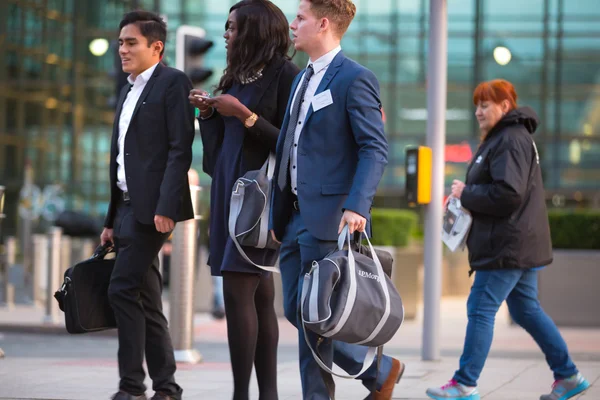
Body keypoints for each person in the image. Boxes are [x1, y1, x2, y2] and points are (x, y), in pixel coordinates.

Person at [269, 1, 404, 399]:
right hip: (292, 216)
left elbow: (374, 148)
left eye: (300, 18)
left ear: (323, 23)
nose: (293, 25)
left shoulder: (354, 78)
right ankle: (377, 371)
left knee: (313, 315)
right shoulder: (302, 79)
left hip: (329, 217)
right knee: (301, 310)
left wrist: (357, 205)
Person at [426, 79, 590, 400]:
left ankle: (464, 382)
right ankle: (568, 375)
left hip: (507, 244)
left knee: (480, 306)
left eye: (485, 105)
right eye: (476, 105)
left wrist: (467, 193)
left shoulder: (511, 140)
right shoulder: (504, 138)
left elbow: (508, 194)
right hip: (515, 242)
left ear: (504, 106)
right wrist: (468, 194)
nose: (478, 112)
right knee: (526, 309)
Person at [188, 1, 300, 399]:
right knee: (260, 294)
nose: (226, 34)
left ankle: (242, 394)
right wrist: (210, 114)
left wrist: (245, 116)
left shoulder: (286, 75)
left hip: (259, 200)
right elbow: (218, 158)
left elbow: (293, 143)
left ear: (254, 30)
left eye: (233, 27)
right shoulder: (234, 76)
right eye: (226, 26)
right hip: (229, 194)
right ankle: (264, 394)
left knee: (239, 291)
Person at [100, 10, 195, 400]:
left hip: (153, 210)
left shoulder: (173, 83)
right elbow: (119, 158)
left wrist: (167, 206)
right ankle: (168, 388)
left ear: (156, 47)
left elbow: (179, 148)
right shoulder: (126, 89)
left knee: (121, 289)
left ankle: (131, 387)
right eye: (121, 42)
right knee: (147, 298)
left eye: (131, 42)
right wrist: (109, 218)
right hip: (123, 209)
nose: (122, 49)